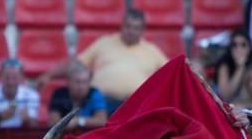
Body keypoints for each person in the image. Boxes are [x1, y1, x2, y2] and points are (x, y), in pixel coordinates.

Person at [40, 10, 168, 112]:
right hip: (102, 104)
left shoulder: (152, 50)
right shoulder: (104, 43)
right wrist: (49, 75)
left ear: (142, 30)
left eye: (136, 28)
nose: (131, 31)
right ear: (122, 26)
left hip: (137, 105)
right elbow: (77, 64)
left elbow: (170, 73)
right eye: (128, 26)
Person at [0, 59, 40, 128]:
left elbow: (35, 125)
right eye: (7, 77)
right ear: (0, 76)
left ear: (22, 78)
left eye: (14, 78)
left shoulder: (32, 95)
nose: (10, 82)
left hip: (21, 136)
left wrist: (27, 119)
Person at [215, 30, 252, 103]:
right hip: (234, 104)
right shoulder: (224, 64)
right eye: (234, 45)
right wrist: (240, 67)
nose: (239, 49)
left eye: (243, 45)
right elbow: (225, 95)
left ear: (250, 47)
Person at [47, 63, 108, 130]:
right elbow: (53, 121)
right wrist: (67, 124)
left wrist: (78, 121)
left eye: (85, 82)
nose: (81, 86)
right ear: (69, 82)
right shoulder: (59, 94)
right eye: (77, 82)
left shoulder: (95, 94)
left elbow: (102, 120)